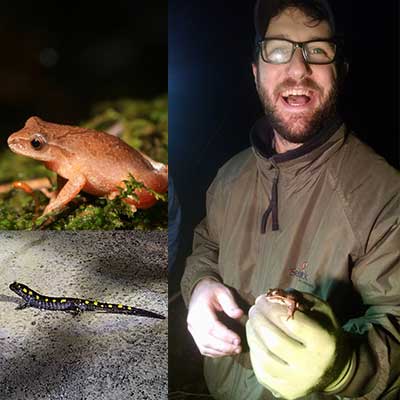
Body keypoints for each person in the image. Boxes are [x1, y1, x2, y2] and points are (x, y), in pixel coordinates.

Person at [180, 0, 400, 399]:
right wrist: (199, 285)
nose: (298, 69)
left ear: (341, 70)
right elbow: (206, 246)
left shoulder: (385, 193)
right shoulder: (229, 176)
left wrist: (345, 367)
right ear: (255, 72)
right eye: (278, 50)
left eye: (318, 50)